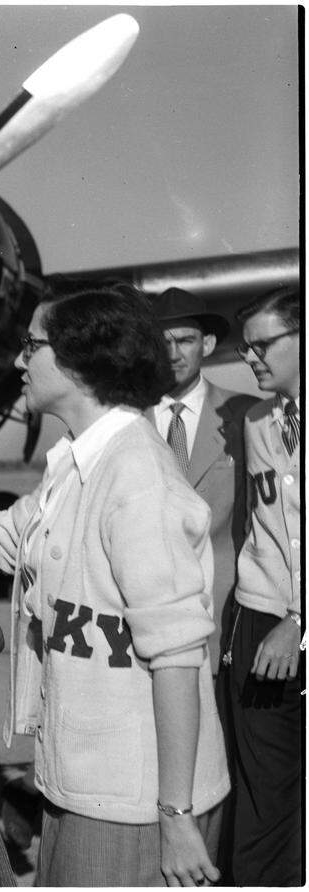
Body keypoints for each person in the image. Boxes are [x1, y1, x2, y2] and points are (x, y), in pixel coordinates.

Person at [0, 287, 229, 886]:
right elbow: (7, 544)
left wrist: (176, 817)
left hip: (136, 803)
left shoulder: (138, 477)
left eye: (32, 346)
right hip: (83, 783)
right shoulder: (78, 463)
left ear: (78, 361)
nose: (19, 362)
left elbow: (177, 657)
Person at [225, 285, 302, 886]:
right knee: (264, 793)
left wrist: (299, 622)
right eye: (245, 347)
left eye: (263, 345)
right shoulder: (256, 421)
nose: (250, 358)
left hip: (293, 627)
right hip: (260, 617)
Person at [153, 289, 258, 683]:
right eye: (161, 342)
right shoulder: (128, 420)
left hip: (223, 612)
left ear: (208, 344)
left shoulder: (245, 415)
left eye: (185, 340)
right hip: (147, 617)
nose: (173, 353)